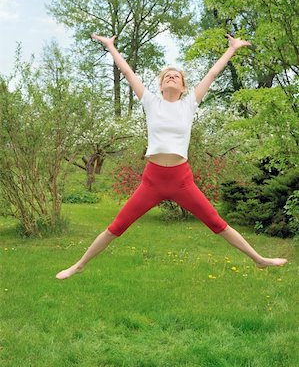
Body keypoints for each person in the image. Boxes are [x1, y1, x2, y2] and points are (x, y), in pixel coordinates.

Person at [56, 34, 287, 280]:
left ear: (184, 87)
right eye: (167, 75)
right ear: (161, 85)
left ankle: (259, 259)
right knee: (116, 227)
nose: (171, 77)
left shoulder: (189, 104)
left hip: (181, 180)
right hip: (152, 180)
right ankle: (79, 264)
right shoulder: (150, 102)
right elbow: (127, 72)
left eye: (176, 75)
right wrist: (111, 46)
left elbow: (211, 74)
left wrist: (231, 49)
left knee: (217, 223)